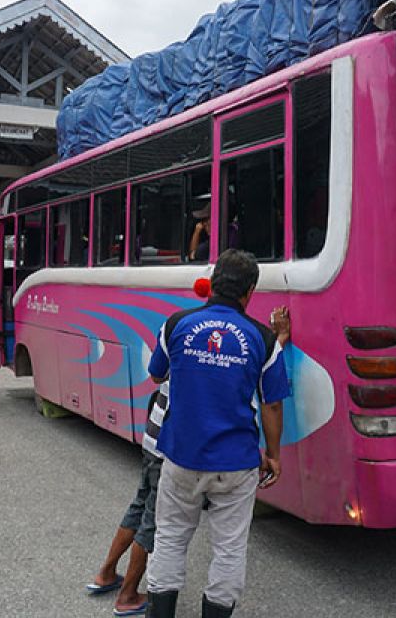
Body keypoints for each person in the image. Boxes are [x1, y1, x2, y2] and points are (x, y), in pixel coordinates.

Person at [144, 249, 292, 618]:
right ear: (250, 291)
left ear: (212, 283)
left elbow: (156, 374)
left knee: (170, 540)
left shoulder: (176, 324)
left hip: (180, 456)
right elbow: (272, 404)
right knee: (229, 550)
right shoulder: (264, 339)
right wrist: (273, 454)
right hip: (236, 464)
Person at [87, 382, 171, 616]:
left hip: (153, 434)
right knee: (151, 521)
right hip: (166, 444)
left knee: (139, 506)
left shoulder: (171, 343)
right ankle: (128, 595)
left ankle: (106, 574)